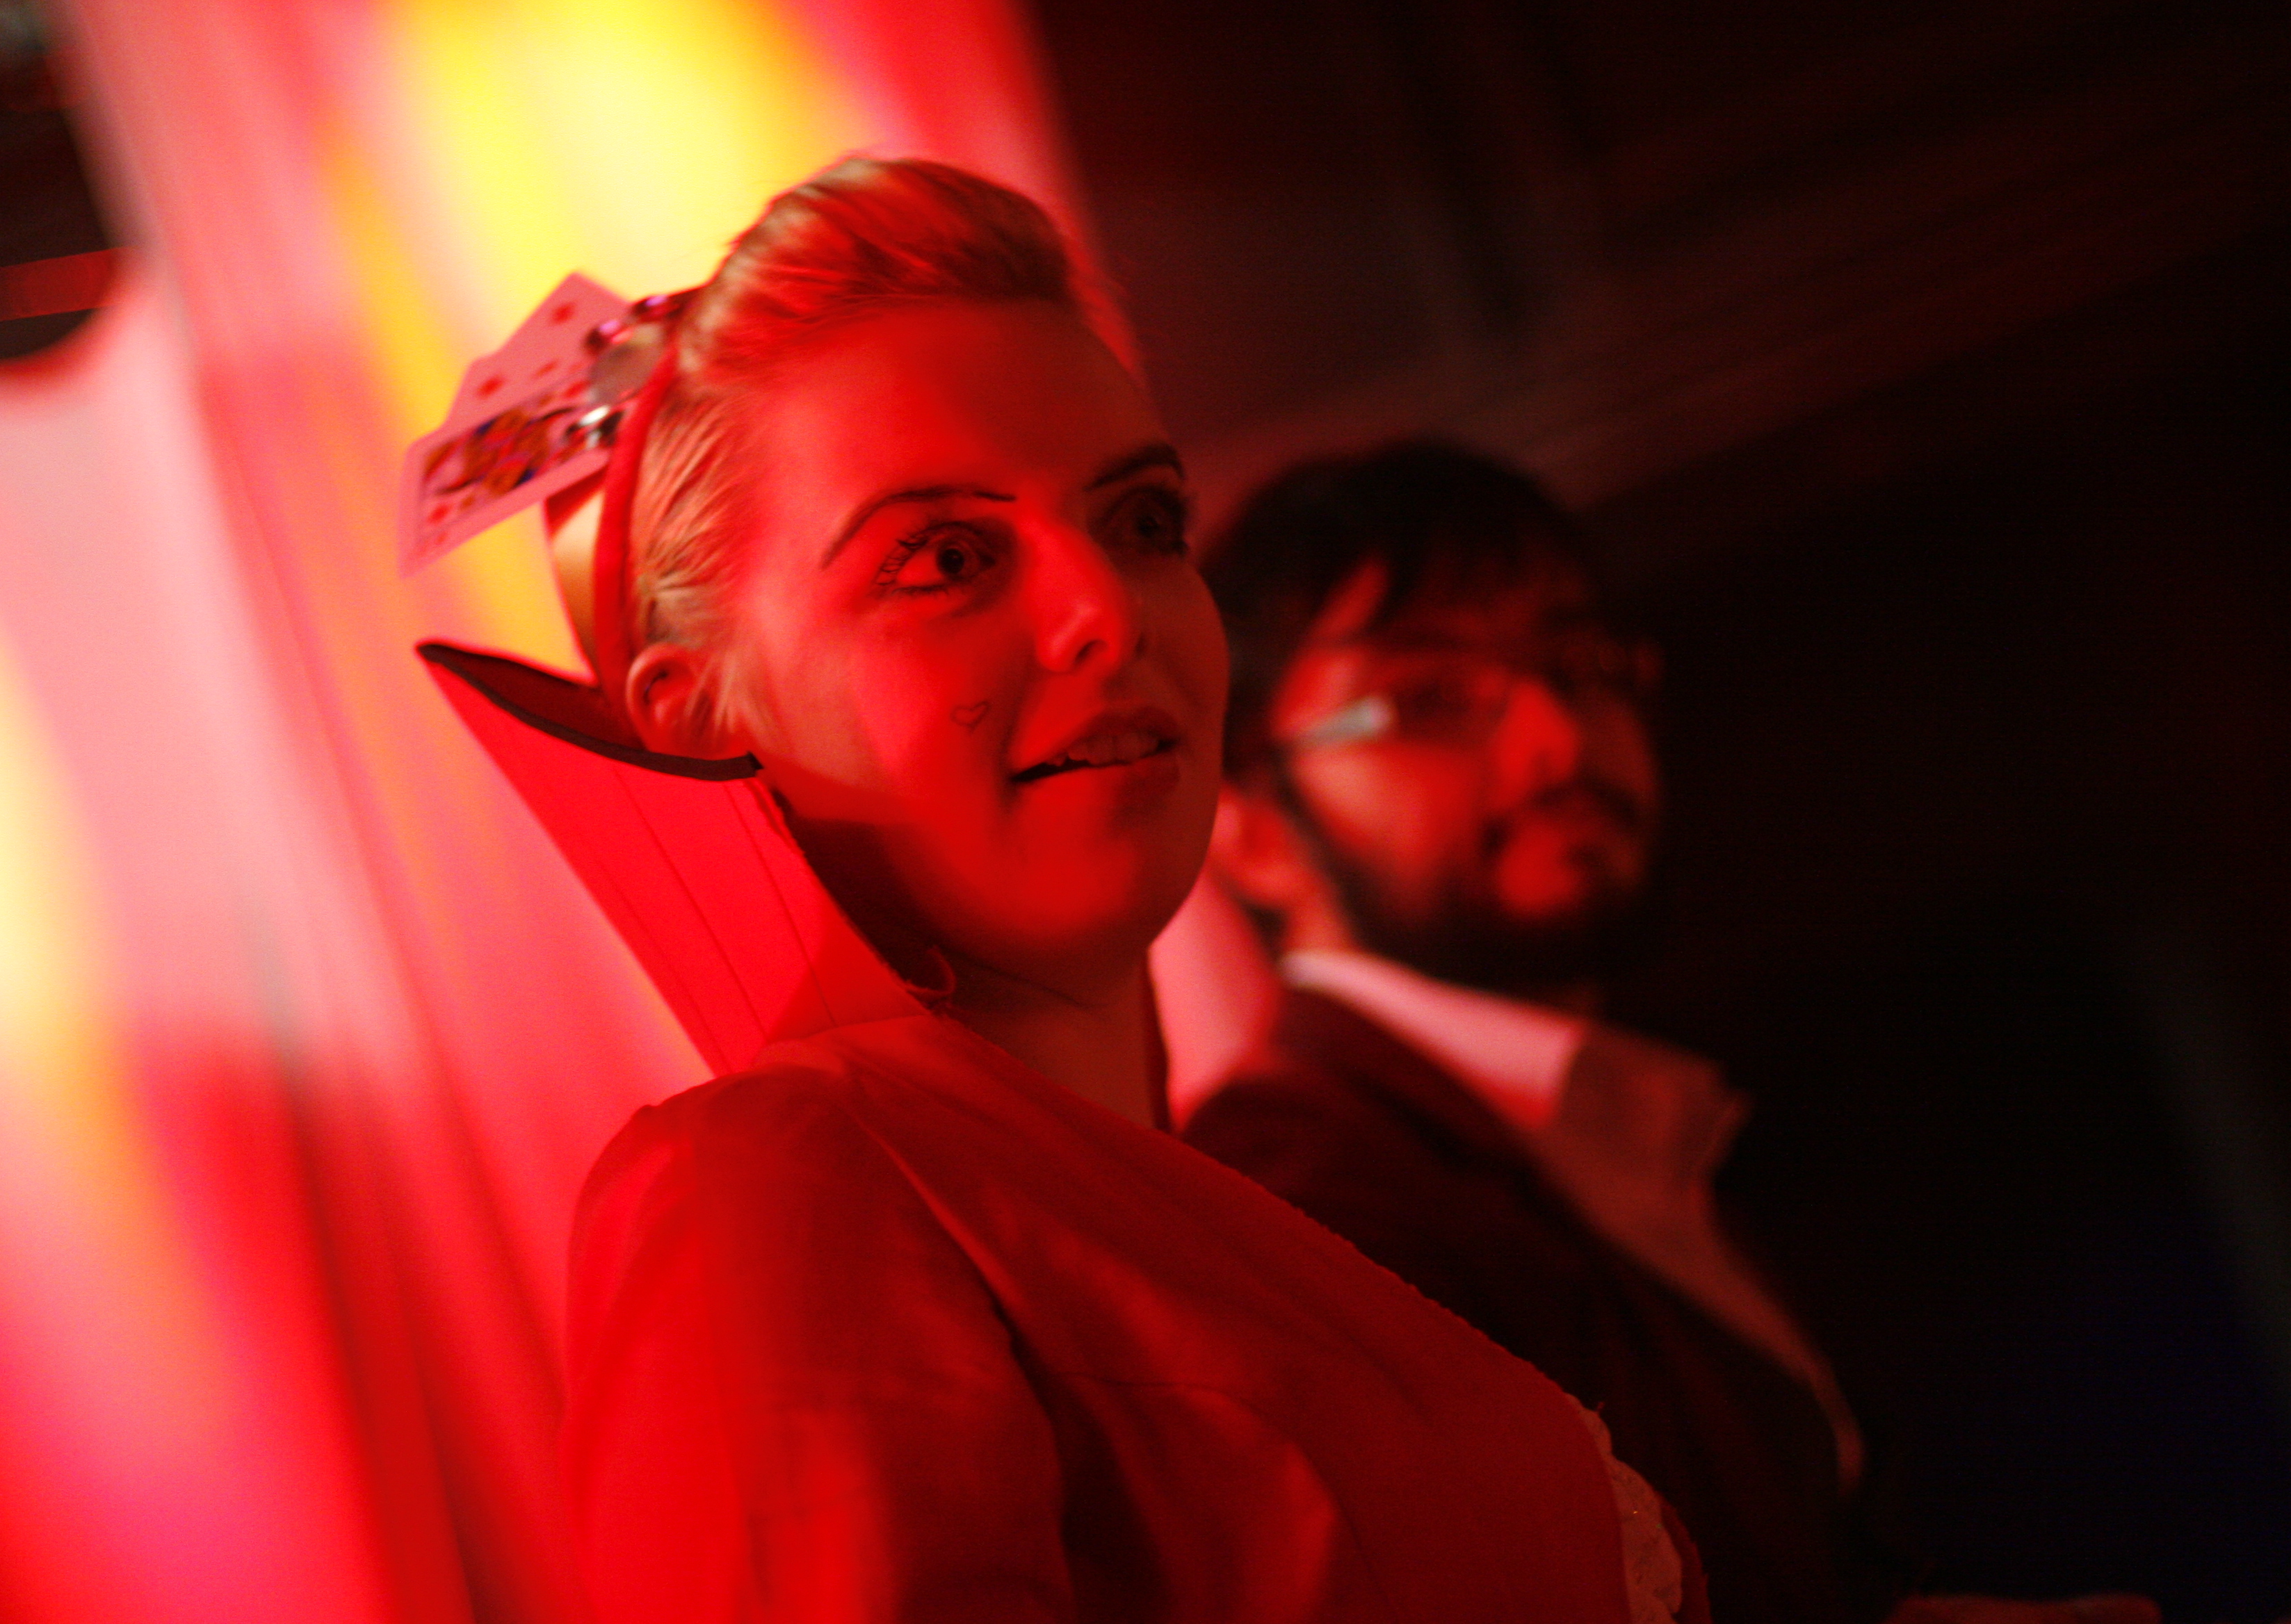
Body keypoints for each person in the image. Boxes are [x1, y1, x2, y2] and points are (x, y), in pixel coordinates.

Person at [441, 160, 1704, 1623]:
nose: (1106, 611)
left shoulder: (1202, 1211)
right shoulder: (771, 1184)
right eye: (945, 557)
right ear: (701, 715)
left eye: (1144, 522)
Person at [1181, 444, 2158, 1624]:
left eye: (1579, 664)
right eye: (1431, 698)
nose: (1556, 739)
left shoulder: (1602, 1125)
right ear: (1250, 826)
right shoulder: (1304, 1200)